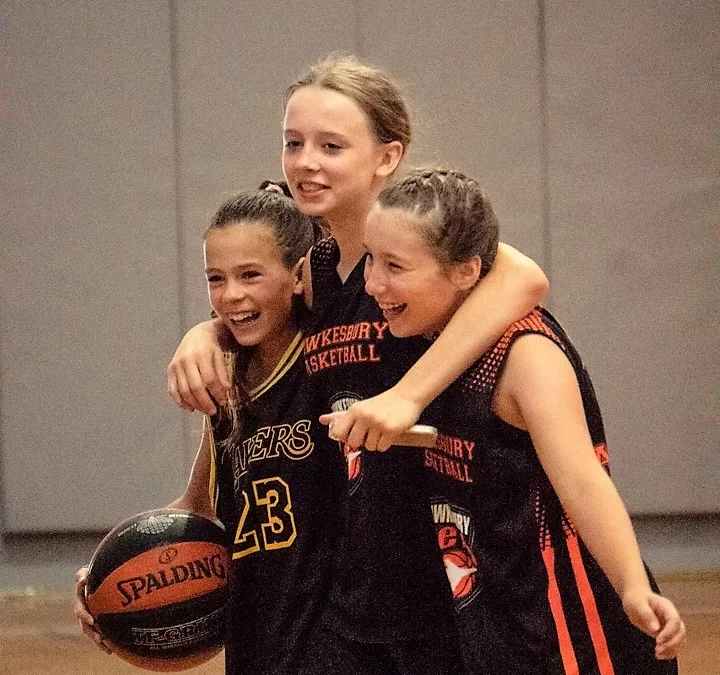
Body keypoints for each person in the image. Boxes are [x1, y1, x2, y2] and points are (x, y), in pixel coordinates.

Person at [166, 55, 548, 674]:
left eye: (331, 145)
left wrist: (410, 394)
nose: (305, 162)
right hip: (353, 583)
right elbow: (252, 348)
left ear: (388, 156)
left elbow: (523, 275)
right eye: (294, 143)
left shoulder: (419, 245)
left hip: (456, 574)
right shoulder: (315, 267)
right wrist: (208, 331)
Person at [350, 166, 686, 674]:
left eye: (395, 266)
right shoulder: (428, 342)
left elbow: (582, 480)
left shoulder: (524, 357)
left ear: (466, 271)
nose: (373, 283)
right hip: (495, 629)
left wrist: (632, 584)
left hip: (574, 632)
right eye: (371, 260)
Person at [75, 188, 345, 675]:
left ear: (299, 275)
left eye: (250, 275)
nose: (231, 295)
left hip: (334, 642)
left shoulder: (328, 361)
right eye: (215, 279)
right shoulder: (228, 387)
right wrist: (104, 578)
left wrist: (206, 330)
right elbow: (196, 509)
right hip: (257, 643)